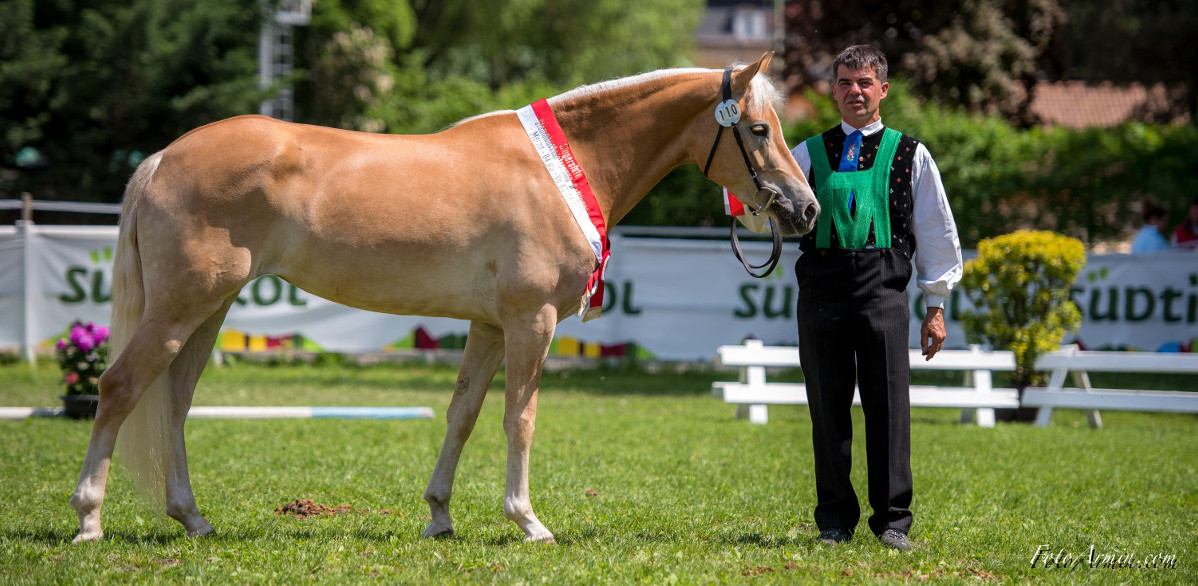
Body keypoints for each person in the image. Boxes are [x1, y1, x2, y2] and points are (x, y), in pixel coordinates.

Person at [789, 45, 963, 551]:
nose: (855, 91)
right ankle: (833, 521)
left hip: (883, 290)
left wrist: (935, 307)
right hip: (820, 290)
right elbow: (764, 204)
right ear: (833, 90)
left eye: (864, 82)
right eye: (845, 82)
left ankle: (892, 521)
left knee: (888, 405)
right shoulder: (806, 153)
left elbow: (935, 231)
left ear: (883, 89)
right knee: (827, 408)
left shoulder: (912, 154)